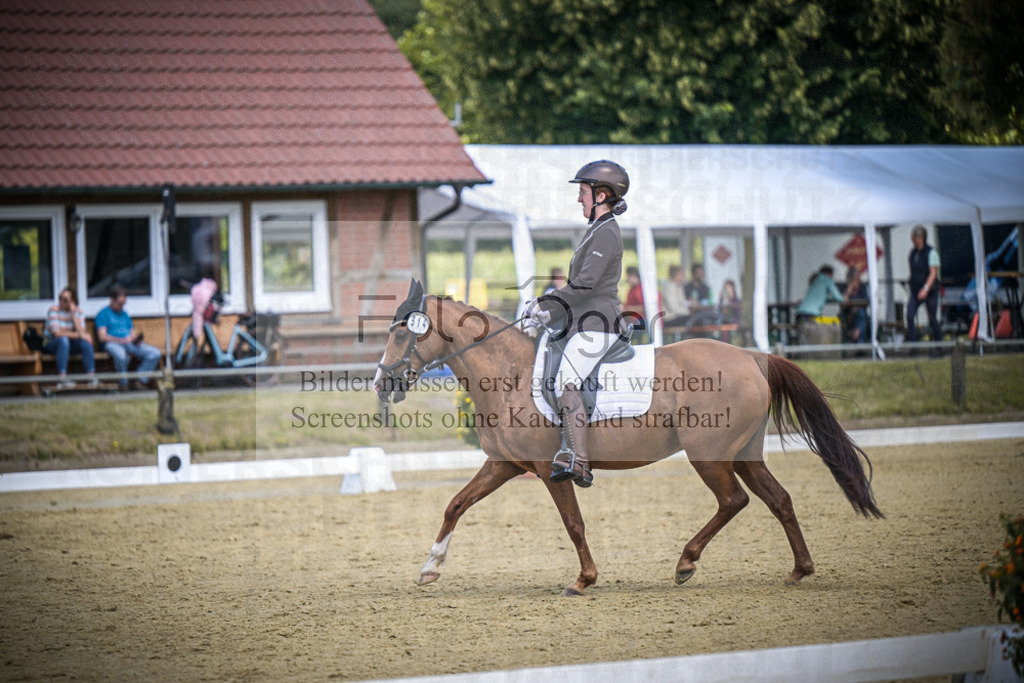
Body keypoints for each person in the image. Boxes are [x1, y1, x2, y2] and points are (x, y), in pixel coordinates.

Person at [527, 160, 630, 488]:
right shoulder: (596, 231)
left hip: (600, 325)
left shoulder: (607, 232)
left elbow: (585, 285)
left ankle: (580, 462)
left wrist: (545, 302)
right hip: (584, 322)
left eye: (583, 193)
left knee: (566, 382)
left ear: (602, 195)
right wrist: (550, 314)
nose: (579, 200)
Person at [95, 284, 163, 390]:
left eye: (123, 304)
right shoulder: (103, 314)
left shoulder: (124, 314)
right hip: (112, 343)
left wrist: (135, 338)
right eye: (119, 304)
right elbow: (102, 337)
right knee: (121, 356)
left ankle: (140, 380)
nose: (122, 306)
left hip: (128, 342)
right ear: (112, 299)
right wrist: (119, 340)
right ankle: (123, 384)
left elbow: (132, 331)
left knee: (155, 353)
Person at [43, 287, 98, 390]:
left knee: (85, 343)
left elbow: (82, 332)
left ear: (72, 301)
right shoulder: (53, 310)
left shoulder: (78, 312)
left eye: (65, 300)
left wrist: (73, 315)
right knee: (63, 340)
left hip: (69, 344)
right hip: (50, 343)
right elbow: (57, 333)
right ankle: (62, 378)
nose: (61, 302)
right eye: (60, 298)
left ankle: (91, 377)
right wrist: (80, 335)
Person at [906, 225, 942, 345]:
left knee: (932, 318)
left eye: (913, 238)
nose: (912, 240)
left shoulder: (931, 253)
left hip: (930, 291)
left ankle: (939, 346)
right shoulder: (913, 252)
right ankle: (913, 346)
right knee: (910, 315)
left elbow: (933, 274)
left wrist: (925, 289)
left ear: (920, 238)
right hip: (915, 290)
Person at [660, 265, 690, 339]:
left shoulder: (679, 286)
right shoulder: (669, 287)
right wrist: (688, 312)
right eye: (681, 274)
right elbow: (673, 308)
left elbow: (683, 304)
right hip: (670, 318)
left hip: (679, 316)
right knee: (693, 320)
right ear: (675, 275)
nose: (683, 276)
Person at [843, 266, 868, 344]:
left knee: (861, 313)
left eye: (858, 279)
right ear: (850, 279)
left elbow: (866, 302)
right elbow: (843, 303)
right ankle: (859, 344)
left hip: (861, 314)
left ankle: (857, 336)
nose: (858, 281)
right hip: (847, 314)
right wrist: (849, 289)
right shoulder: (844, 287)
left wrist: (857, 307)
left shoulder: (862, 287)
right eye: (856, 279)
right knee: (860, 314)